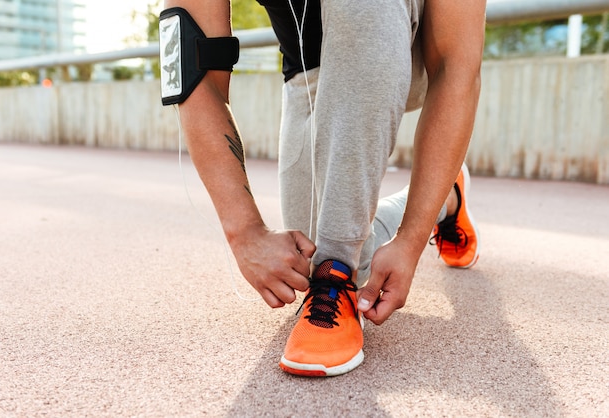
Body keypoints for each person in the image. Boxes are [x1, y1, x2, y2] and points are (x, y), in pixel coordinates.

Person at [163, 0, 485, 376]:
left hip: (405, 40)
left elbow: (457, 66)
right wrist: (245, 231)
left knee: (334, 253)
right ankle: (447, 196)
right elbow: (192, 72)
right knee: (313, 246)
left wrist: (411, 240)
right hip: (310, 71)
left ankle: (337, 278)